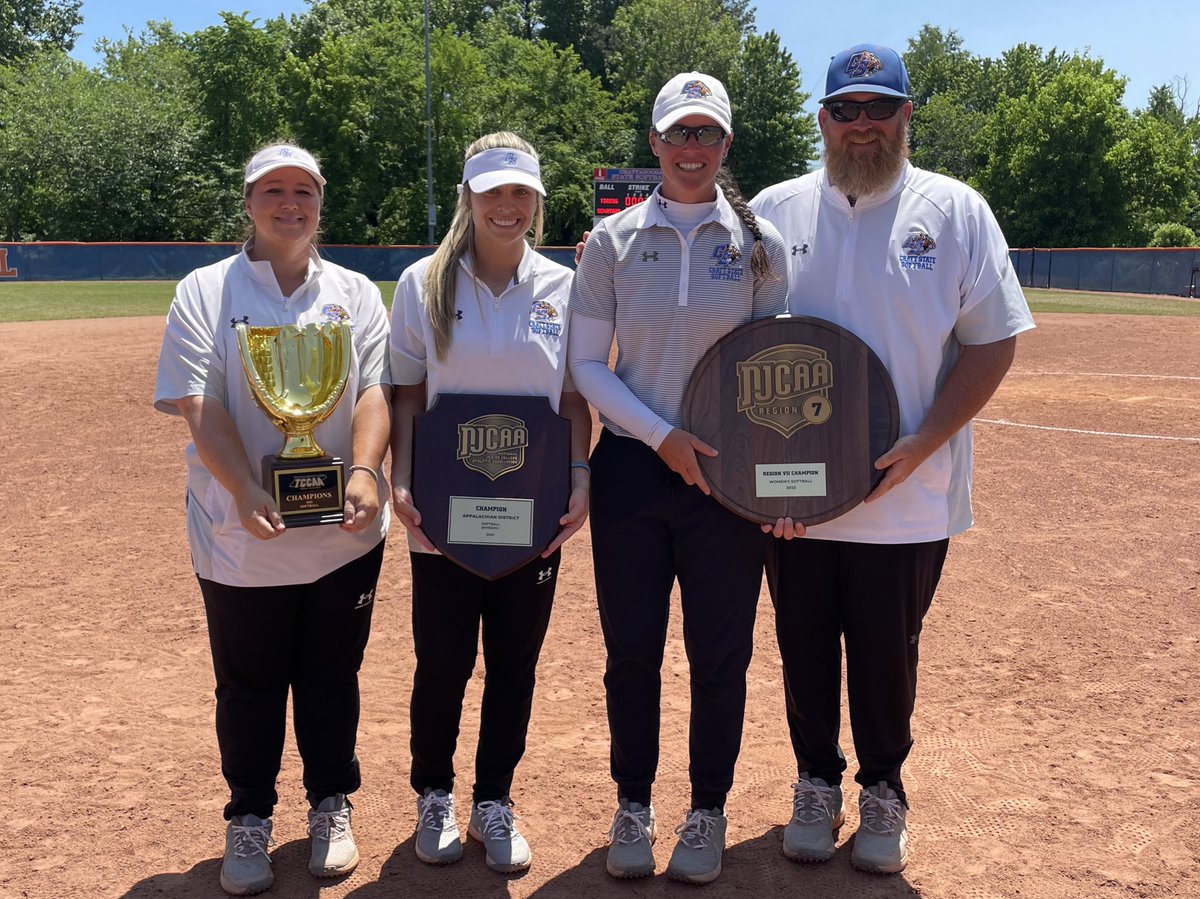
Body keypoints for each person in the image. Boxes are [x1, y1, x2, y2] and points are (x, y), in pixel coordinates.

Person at [749, 44, 1036, 874]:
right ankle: (815, 781)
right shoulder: (773, 211)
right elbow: (735, 354)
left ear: (908, 116)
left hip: (908, 490)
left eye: (881, 108)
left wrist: (924, 442)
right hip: (791, 488)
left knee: (885, 647)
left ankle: (883, 787)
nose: (863, 124)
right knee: (802, 642)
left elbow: (991, 346)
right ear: (822, 119)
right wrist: (748, 474)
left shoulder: (954, 210)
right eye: (847, 109)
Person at [153, 143, 391, 896]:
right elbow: (199, 401)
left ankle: (331, 801)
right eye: (273, 191)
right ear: (249, 199)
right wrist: (243, 488)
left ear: (321, 200)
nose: (290, 205)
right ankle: (249, 815)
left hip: (343, 534)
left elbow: (375, 393)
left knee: (331, 674)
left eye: (304, 191)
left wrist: (363, 470)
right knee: (249, 684)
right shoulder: (205, 290)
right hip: (239, 534)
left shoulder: (354, 292)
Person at [568, 72, 789, 885]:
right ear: (654, 143)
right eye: (677, 133)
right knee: (631, 651)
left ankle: (706, 809)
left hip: (725, 481)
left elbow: (773, 368)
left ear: (725, 145)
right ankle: (633, 803)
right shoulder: (615, 244)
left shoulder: (759, 245)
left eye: (706, 134)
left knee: (719, 653)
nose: (691, 149)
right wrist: (661, 437)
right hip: (634, 466)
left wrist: (776, 482)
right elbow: (588, 364)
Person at [388, 132, 592, 874]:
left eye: (520, 193)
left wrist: (579, 476)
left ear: (536, 201)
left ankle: (494, 797)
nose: (507, 206)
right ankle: (434, 792)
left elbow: (572, 395)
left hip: (530, 512)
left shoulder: (563, 288)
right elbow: (406, 392)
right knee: (441, 661)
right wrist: (401, 480)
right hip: (441, 513)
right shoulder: (423, 285)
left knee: (515, 664)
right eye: (492, 191)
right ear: (468, 199)